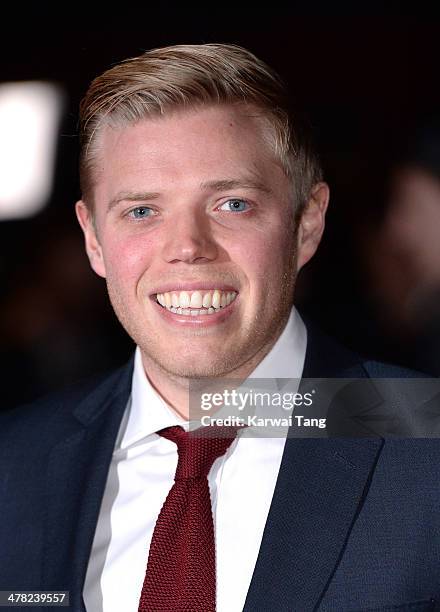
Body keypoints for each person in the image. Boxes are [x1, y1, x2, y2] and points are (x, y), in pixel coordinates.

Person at [1, 44, 439, 612]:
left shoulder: (424, 442)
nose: (186, 248)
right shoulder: (14, 463)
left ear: (307, 224)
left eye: (232, 204)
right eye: (141, 211)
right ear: (92, 240)